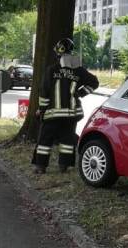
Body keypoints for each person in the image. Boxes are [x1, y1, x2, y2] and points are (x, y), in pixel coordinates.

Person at [33, 38, 99, 174]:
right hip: (71, 115)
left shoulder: (51, 70)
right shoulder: (79, 70)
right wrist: (80, 93)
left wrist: (41, 109)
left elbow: (44, 91)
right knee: (67, 140)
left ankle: (41, 167)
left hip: (52, 114)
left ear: (58, 52)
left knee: (45, 140)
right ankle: (64, 166)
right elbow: (94, 82)